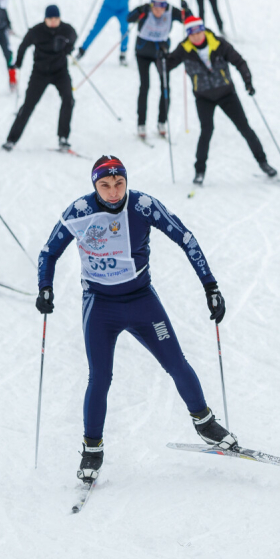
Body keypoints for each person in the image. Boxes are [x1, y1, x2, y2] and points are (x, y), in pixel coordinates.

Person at [34, 155, 235, 487]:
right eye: (105, 185)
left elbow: (186, 238)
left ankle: (205, 422)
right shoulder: (81, 211)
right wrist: (45, 287)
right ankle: (92, 448)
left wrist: (211, 286)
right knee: (100, 377)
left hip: (142, 302)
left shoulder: (143, 206)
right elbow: (48, 252)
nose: (113, 192)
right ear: (94, 186)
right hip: (100, 307)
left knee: (176, 362)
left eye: (119, 184)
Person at [164, 15, 275, 185]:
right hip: (203, 97)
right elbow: (165, 68)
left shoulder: (219, 43)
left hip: (226, 94)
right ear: (188, 35)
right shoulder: (183, 49)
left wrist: (248, 81)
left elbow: (239, 61)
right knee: (206, 131)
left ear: (203, 30)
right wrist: (161, 57)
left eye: (198, 33)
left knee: (244, 128)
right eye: (192, 34)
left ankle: (263, 162)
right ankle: (199, 171)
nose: (196, 37)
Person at [2, 4, 77, 151]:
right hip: (40, 73)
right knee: (28, 105)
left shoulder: (65, 29)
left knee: (68, 99)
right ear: (45, 19)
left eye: (56, 18)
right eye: (50, 19)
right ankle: (11, 139)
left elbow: (74, 35)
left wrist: (69, 47)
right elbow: (23, 45)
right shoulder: (36, 31)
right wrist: (18, 62)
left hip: (60, 72)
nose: (54, 21)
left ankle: (63, 138)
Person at [127, 0, 186, 138]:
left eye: (162, 8)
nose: (159, 11)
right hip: (142, 53)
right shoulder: (145, 9)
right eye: (156, 8)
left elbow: (188, 19)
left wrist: (187, 9)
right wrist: (138, 11)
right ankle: (141, 124)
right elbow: (129, 18)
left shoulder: (171, 11)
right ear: (151, 5)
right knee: (145, 86)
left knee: (165, 86)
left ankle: (162, 122)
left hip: (161, 53)